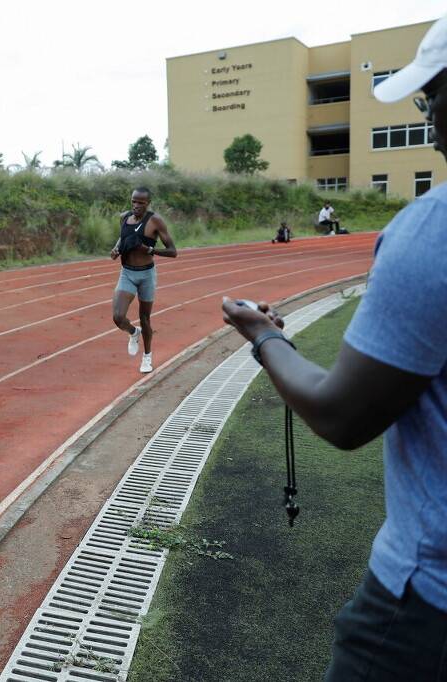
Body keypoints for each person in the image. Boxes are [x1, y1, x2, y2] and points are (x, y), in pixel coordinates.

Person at [222, 16, 447, 679]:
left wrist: (262, 337)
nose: (429, 120)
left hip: (425, 605)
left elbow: (343, 414)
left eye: (431, 99)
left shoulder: (429, 236)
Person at [110, 187, 177, 373]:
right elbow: (122, 237)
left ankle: (147, 357)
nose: (136, 205)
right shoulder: (124, 217)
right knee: (118, 317)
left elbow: (173, 252)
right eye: (134, 201)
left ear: (148, 203)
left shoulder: (155, 221)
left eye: (141, 202)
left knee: (145, 318)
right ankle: (133, 332)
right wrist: (116, 249)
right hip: (127, 273)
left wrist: (149, 250)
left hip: (146, 275)